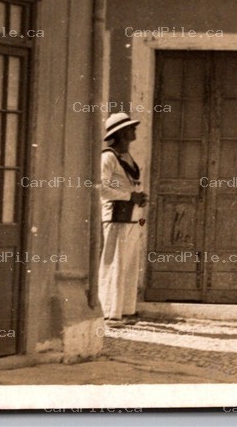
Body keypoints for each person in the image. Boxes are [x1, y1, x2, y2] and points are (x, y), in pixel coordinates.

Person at [99, 112, 146, 323]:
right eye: (130, 128)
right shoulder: (108, 157)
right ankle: (110, 311)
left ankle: (126, 309)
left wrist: (138, 197)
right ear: (120, 133)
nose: (134, 131)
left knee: (128, 264)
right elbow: (102, 189)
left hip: (132, 216)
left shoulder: (127, 158)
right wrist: (129, 196)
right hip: (116, 216)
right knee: (115, 263)